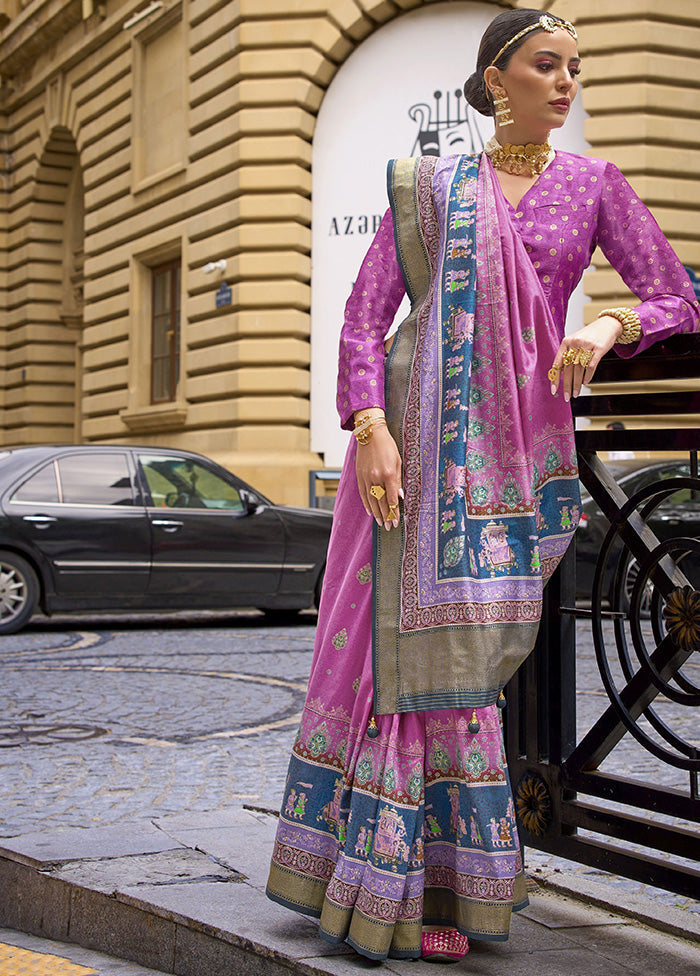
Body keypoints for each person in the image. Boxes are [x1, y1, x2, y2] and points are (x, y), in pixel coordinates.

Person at [265, 7, 698, 963]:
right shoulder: (430, 185)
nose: (567, 83)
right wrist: (369, 430)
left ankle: (441, 883)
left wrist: (609, 328)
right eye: (547, 65)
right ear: (497, 78)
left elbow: (680, 294)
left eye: (576, 68)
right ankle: (395, 888)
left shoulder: (596, 186)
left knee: (462, 662)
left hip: (515, 456)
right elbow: (362, 322)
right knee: (399, 665)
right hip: (411, 452)